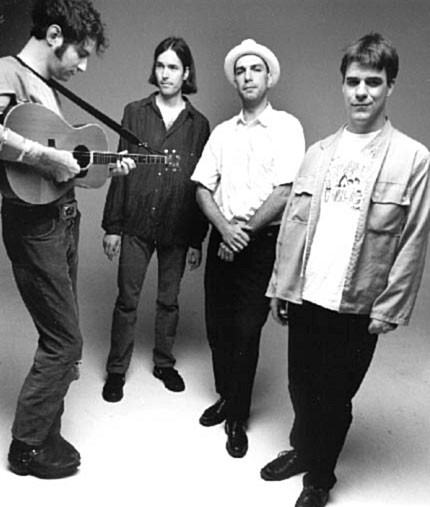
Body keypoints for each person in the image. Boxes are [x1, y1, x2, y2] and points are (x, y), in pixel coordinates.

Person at [260, 33, 430, 507]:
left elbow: (415, 237)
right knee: (300, 384)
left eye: (373, 82)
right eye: (353, 81)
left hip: (357, 301)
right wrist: (281, 287)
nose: (361, 92)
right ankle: (303, 449)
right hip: (308, 292)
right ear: (343, 85)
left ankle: (320, 478)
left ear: (390, 86)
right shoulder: (317, 153)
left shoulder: (413, 158)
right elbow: (292, 229)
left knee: (334, 396)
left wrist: (391, 306)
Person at [0, 0, 134, 479]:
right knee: (66, 341)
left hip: (61, 219)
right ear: (55, 35)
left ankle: (46, 430)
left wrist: (100, 169)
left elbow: (60, 165)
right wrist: (46, 158)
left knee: (59, 335)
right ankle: (26, 448)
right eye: (82, 53)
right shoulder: (8, 73)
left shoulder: (45, 87)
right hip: (36, 227)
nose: (84, 66)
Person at [191, 39, 305, 458]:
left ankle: (237, 415)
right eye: (241, 71)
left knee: (244, 330)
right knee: (217, 328)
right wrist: (225, 229)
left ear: (269, 78)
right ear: (235, 81)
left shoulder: (287, 127)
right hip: (223, 241)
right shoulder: (222, 133)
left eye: (255, 69)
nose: (247, 76)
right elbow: (202, 187)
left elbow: (285, 190)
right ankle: (227, 396)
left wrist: (243, 233)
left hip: (260, 246)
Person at [101, 36, 210, 401]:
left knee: (169, 301)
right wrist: (113, 227)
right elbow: (120, 170)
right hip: (135, 224)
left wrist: (196, 239)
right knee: (126, 301)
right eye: (160, 66)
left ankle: (164, 363)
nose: (165, 74)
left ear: (186, 73)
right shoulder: (134, 112)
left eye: (173, 67)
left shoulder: (199, 124)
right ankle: (117, 370)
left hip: (178, 227)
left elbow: (202, 184)